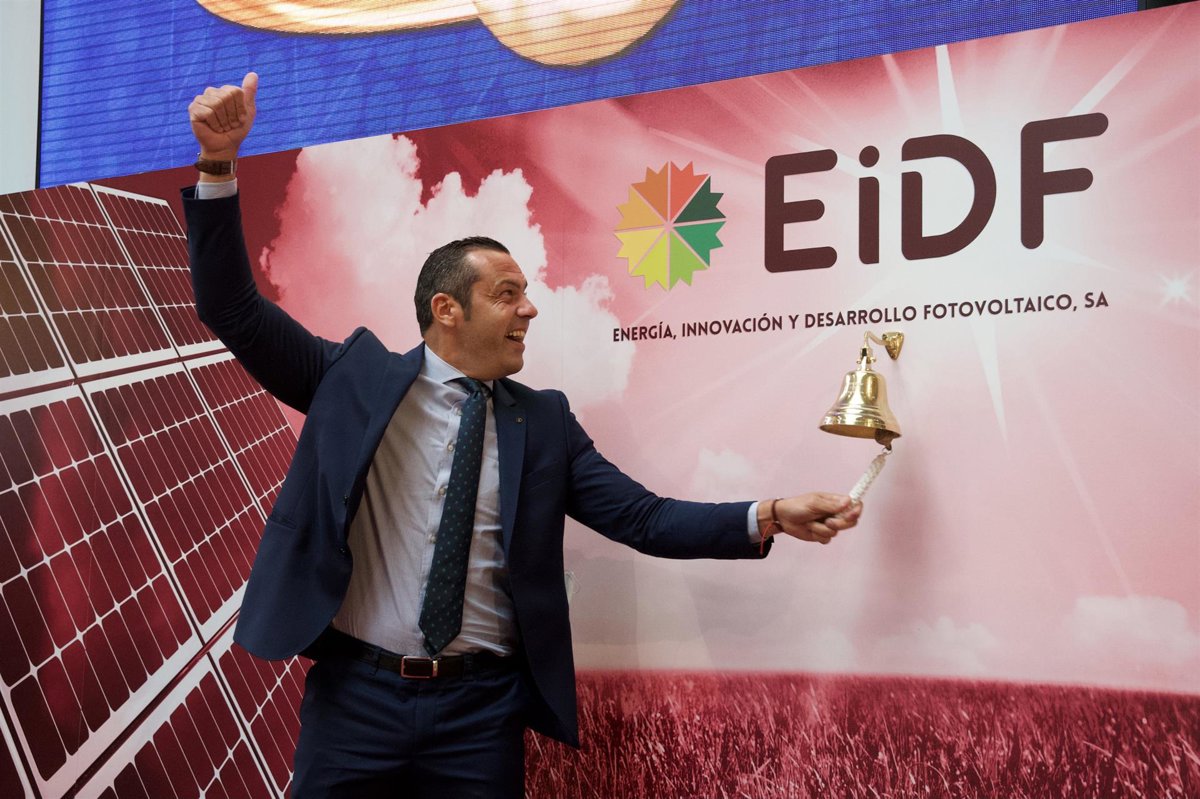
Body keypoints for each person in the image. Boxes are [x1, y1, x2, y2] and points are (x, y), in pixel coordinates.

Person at [185, 72, 863, 798]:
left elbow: (644, 518)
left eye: (528, 295)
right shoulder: (351, 377)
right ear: (447, 309)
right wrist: (219, 163)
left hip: (479, 716)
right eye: (507, 294)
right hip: (356, 700)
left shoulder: (544, 423)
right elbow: (233, 309)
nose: (530, 310)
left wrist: (769, 514)